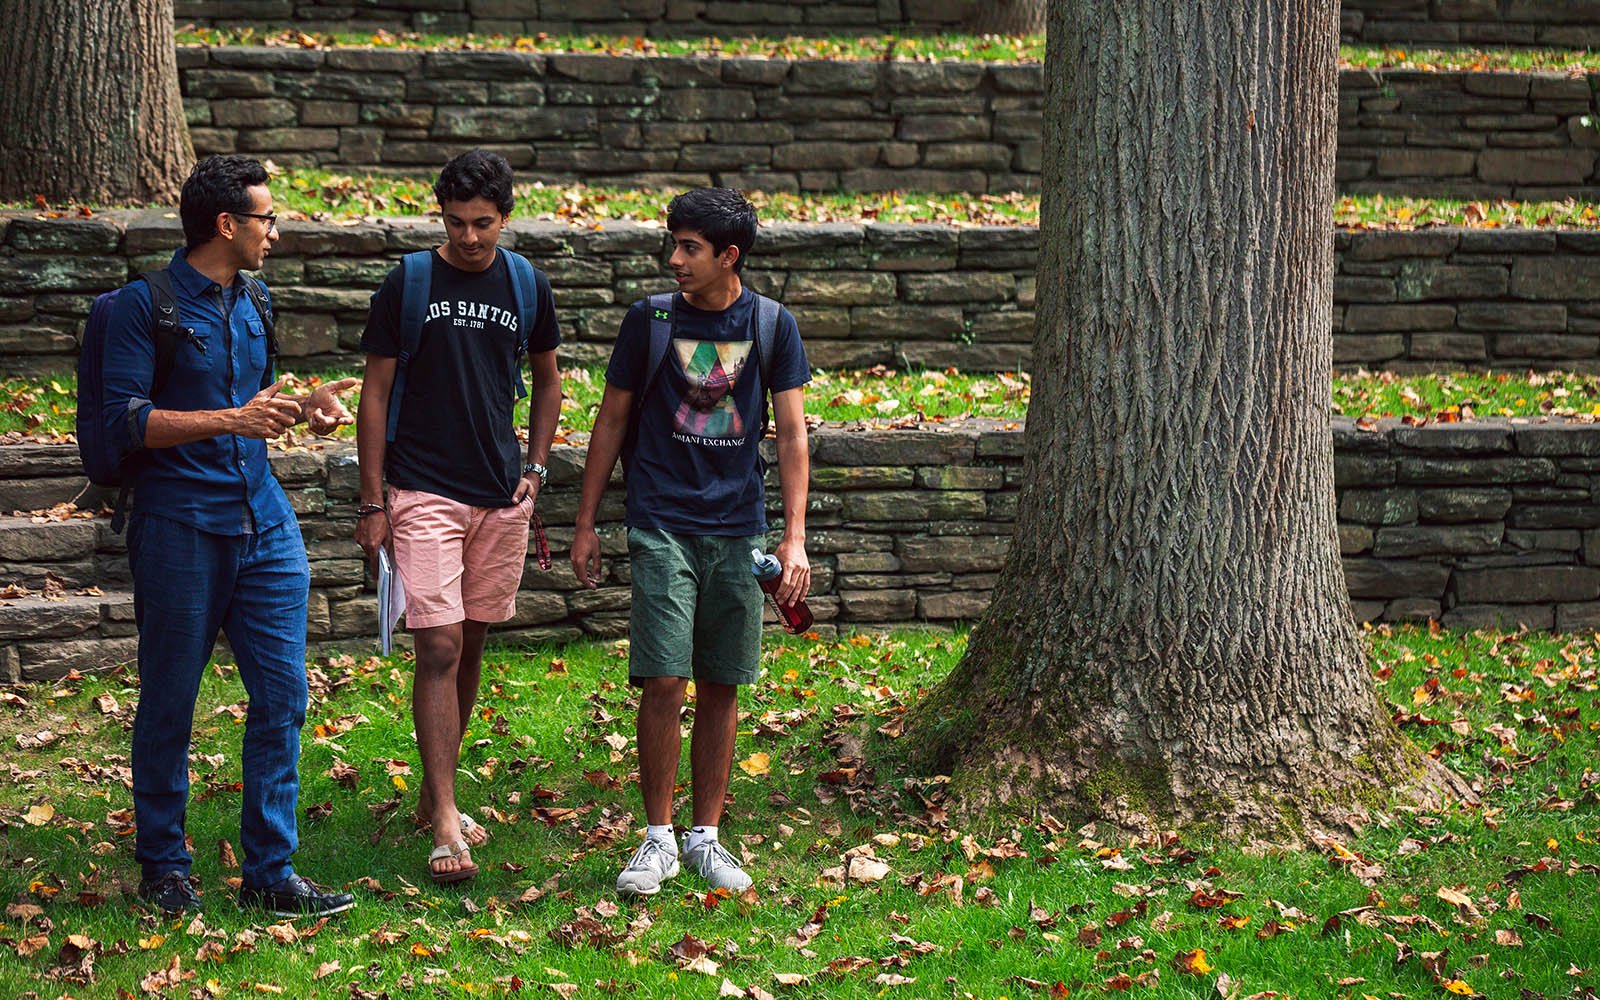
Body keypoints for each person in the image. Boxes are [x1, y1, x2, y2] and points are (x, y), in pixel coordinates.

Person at [100, 155, 359, 918]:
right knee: (171, 700)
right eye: (266, 219)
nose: (274, 231)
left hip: (265, 522)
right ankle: (164, 867)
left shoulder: (256, 296)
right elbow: (128, 420)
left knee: (284, 696)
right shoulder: (140, 306)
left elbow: (250, 401)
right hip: (180, 524)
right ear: (226, 225)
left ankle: (271, 875)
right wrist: (234, 420)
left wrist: (302, 405)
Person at [570, 187, 811, 898]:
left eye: (689, 248)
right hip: (660, 520)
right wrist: (585, 522)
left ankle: (705, 838)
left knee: (721, 684)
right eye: (671, 243)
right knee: (664, 677)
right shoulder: (648, 321)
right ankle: (657, 839)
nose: (673, 259)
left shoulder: (771, 325)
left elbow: (794, 434)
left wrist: (794, 539)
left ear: (727, 255)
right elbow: (610, 422)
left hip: (738, 527)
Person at [354, 149, 562, 885]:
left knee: (470, 644)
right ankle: (445, 820)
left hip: (499, 493)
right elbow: (374, 393)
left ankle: (433, 794)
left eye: (483, 223)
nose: (469, 237)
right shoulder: (408, 282)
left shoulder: (527, 285)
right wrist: (373, 499)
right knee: (437, 646)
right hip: (421, 489)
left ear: (506, 216)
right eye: (456, 223)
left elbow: (546, 381)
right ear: (439, 215)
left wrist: (535, 469)